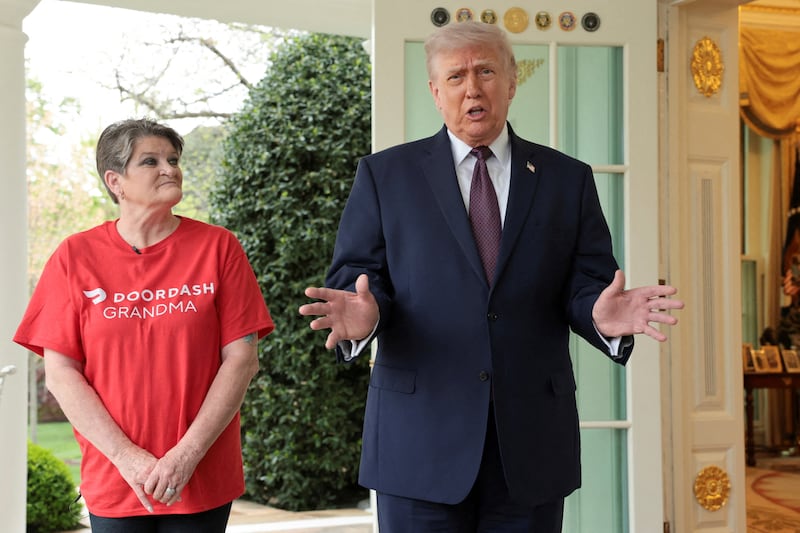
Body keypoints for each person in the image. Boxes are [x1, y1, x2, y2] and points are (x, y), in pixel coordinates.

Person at [299, 21, 683, 533]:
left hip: (529, 444)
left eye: (486, 71)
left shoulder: (567, 178)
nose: (472, 88)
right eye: (455, 77)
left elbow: (586, 282)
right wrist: (365, 315)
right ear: (436, 93)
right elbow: (359, 279)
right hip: (419, 444)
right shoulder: (384, 175)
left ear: (512, 81)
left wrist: (598, 313)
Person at [14, 118, 274, 532]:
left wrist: (184, 456)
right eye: (150, 161)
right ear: (115, 181)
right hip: (115, 475)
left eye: (173, 159)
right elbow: (61, 374)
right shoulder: (74, 257)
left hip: (201, 472)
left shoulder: (218, 247)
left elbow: (241, 360)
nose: (169, 168)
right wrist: (127, 457)